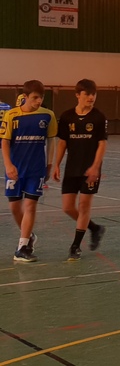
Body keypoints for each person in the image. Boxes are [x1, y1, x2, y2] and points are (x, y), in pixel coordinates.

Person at [52, 79, 108, 261]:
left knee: (84, 206)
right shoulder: (67, 117)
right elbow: (62, 143)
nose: (91, 97)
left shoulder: (99, 117)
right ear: (78, 95)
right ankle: (94, 228)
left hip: (90, 170)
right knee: (68, 207)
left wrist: (95, 167)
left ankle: (75, 246)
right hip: (72, 168)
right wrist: (56, 164)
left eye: (93, 94)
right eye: (87, 94)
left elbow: (102, 144)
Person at [2, 81, 56, 263]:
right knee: (14, 207)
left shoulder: (48, 115)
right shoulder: (11, 115)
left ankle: (22, 247)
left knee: (30, 205)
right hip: (16, 168)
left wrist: (49, 164)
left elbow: (51, 141)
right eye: (35, 97)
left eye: (41, 97)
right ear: (25, 97)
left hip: (36, 169)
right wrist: (8, 165)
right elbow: (5, 142)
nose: (39, 101)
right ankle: (29, 236)